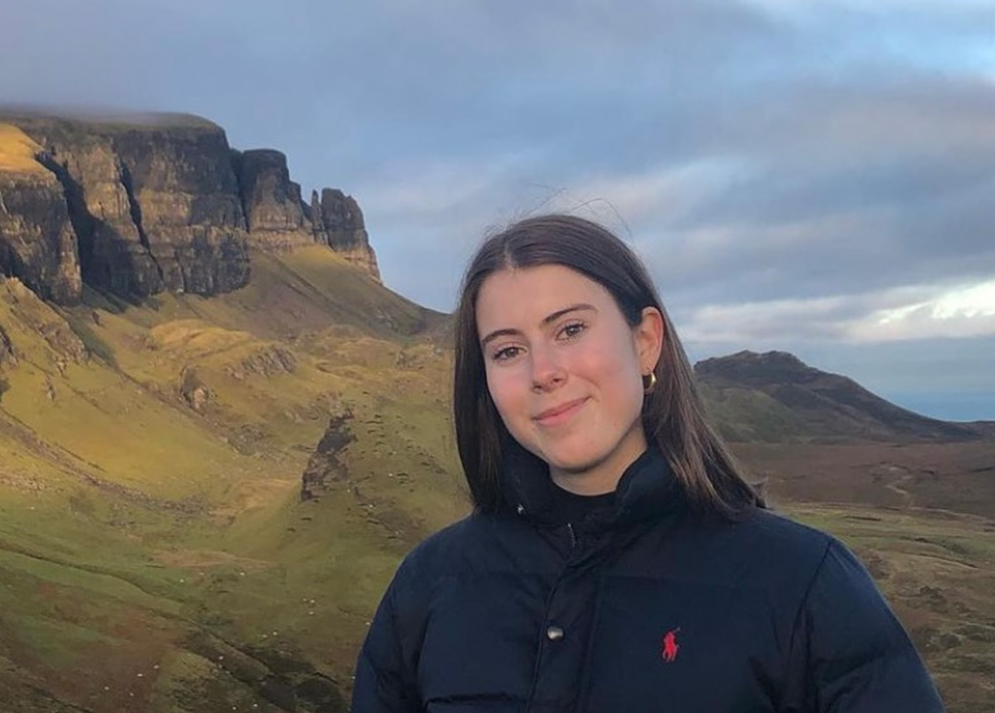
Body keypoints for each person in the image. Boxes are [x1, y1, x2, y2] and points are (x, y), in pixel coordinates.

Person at [351, 215, 944, 712]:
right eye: (508, 350)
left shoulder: (802, 582)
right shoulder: (431, 584)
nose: (543, 371)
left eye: (571, 329)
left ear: (645, 341)